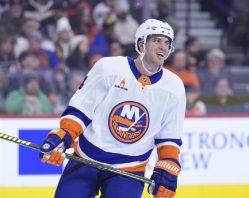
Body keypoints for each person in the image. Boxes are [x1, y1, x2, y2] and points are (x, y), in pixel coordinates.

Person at [39, 19, 186, 198]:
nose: (163, 46)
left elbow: (169, 136)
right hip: (86, 159)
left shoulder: (174, 87)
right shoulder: (108, 67)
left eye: (167, 42)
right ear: (142, 43)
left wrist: (168, 164)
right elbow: (82, 109)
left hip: (129, 170)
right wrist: (64, 135)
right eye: (157, 40)